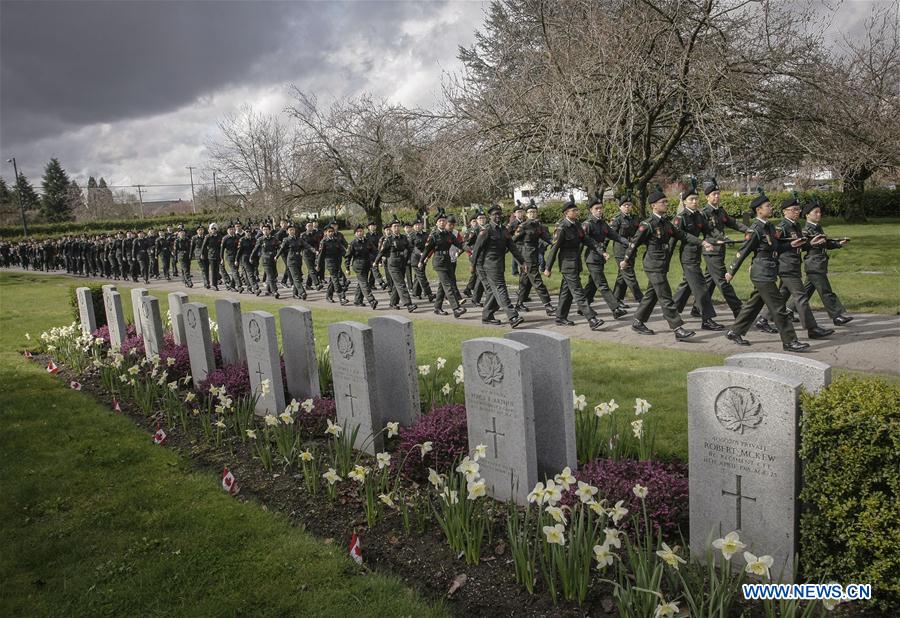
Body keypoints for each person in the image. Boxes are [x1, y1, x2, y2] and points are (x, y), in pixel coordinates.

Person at [724, 189, 819, 352]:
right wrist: (731, 271)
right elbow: (743, 251)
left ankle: (735, 331)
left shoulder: (769, 227)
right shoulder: (755, 229)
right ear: (758, 210)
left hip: (768, 271)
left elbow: (776, 247)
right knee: (779, 308)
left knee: (754, 304)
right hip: (762, 273)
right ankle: (790, 341)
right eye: (767, 206)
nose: (771, 207)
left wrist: (791, 245)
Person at [621, 186, 714, 341]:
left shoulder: (666, 223)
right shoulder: (648, 224)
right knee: (665, 296)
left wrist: (702, 242)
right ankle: (677, 328)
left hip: (662, 264)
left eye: (666, 201)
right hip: (653, 265)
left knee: (651, 295)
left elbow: (683, 235)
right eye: (663, 202)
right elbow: (633, 244)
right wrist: (626, 260)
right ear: (653, 206)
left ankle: (638, 321)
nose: (666, 204)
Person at [758, 195, 834, 340]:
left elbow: (799, 245)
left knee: (781, 295)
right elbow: (775, 247)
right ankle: (812, 329)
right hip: (786, 267)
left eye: (798, 209)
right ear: (785, 212)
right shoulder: (782, 227)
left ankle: (763, 319)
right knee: (801, 296)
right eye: (793, 210)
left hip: (794, 265)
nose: (797, 212)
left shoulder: (796, 225)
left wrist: (811, 243)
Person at [678, 177, 746, 318]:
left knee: (709, 281)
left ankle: (697, 308)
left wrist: (749, 230)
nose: (717, 196)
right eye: (714, 195)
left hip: (720, 249)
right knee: (722, 280)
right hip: (711, 251)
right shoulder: (704, 213)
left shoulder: (720, 211)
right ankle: (738, 310)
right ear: (707, 197)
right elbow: (709, 231)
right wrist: (722, 238)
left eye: (718, 194)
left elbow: (733, 223)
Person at [669, 180, 725, 331]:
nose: (694, 201)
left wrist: (719, 239)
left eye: (696, 199)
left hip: (696, 255)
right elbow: (673, 240)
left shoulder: (698, 216)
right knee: (701, 288)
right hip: (687, 257)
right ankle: (707, 320)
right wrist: (665, 262)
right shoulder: (680, 218)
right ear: (685, 202)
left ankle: (671, 311)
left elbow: (708, 231)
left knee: (687, 285)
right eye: (691, 199)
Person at [543, 196, 603, 330]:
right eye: (574, 210)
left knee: (567, 292)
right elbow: (554, 248)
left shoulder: (577, 225)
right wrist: (548, 267)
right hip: (567, 265)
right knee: (578, 292)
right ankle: (592, 319)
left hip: (575, 263)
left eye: (577, 210)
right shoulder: (562, 227)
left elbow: (586, 240)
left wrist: (600, 251)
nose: (576, 212)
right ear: (566, 213)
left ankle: (560, 317)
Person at [800, 198, 853, 326]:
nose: (819, 214)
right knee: (826, 291)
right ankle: (836, 316)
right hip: (814, 264)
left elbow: (825, 243)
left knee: (804, 292)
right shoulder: (806, 230)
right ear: (807, 215)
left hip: (819, 263)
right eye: (816, 212)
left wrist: (838, 243)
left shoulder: (817, 228)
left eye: (820, 212)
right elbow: (801, 246)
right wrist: (811, 243)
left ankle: (789, 310)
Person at [471, 205, 525, 327]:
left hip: (499, 265)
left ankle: (487, 316)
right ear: (490, 216)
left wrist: (522, 262)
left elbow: (513, 247)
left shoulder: (503, 230)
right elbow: (477, 249)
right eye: (495, 214)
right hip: (489, 265)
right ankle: (513, 316)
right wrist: (473, 265)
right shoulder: (486, 230)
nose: (497, 216)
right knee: (501, 289)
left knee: (493, 291)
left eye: (499, 214)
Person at [582, 193, 628, 319]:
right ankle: (616, 308)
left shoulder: (602, 223)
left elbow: (614, 235)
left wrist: (629, 243)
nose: (599, 210)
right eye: (596, 208)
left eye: (601, 208)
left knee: (592, 284)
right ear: (591, 210)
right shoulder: (587, 224)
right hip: (592, 258)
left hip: (600, 257)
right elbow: (582, 242)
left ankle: (583, 307)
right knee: (602, 284)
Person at [421, 209, 467, 318]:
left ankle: (437, 307)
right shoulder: (434, 235)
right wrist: (421, 260)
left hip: (447, 260)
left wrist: (470, 249)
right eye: (440, 221)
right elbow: (427, 249)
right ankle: (456, 308)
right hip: (438, 262)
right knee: (448, 285)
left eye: (443, 220)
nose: (442, 222)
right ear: (436, 223)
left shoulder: (449, 234)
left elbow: (459, 244)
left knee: (443, 285)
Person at [513, 202, 556, 316]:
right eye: (530, 212)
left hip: (534, 254)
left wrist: (555, 242)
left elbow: (547, 238)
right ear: (526, 214)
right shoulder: (523, 226)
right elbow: (512, 240)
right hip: (526, 256)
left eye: (534, 212)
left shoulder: (539, 226)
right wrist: (518, 253)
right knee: (537, 280)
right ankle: (548, 305)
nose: (532, 214)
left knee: (525, 281)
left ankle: (519, 303)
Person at [375, 217, 417, 312]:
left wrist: (411, 257)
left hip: (402, 262)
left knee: (396, 284)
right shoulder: (388, 240)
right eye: (394, 226)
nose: (397, 228)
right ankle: (408, 304)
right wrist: (376, 262)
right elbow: (381, 252)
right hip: (393, 264)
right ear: (391, 228)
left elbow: (410, 248)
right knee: (401, 284)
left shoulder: (404, 238)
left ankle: (393, 302)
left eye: (398, 226)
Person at [611, 195, 643, 307]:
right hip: (620, 251)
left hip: (632, 250)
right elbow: (612, 235)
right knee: (629, 276)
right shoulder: (617, 219)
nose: (627, 207)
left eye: (629, 205)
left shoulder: (635, 218)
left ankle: (616, 300)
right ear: (620, 207)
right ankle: (641, 300)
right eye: (625, 205)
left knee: (622, 276)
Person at [345, 224, 378, 308]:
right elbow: (348, 256)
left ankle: (357, 300)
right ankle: (372, 300)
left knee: (361, 283)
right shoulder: (353, 243)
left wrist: (376, 260)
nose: (360, 233)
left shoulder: (367, 241)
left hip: (366, 265)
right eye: (358, 232)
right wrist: (347, 268)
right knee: (364, 283)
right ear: (355, 234)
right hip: (358, 265)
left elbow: (374, 251)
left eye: (361, 231)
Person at [276, 224, 312, 299]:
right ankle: (302, 292)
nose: (292, 231)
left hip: (298, 259)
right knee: (296, 278)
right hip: (291, 260)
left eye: (293, 230)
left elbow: (307, 245)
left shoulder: (299, 239)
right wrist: (276, 256)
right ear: (287, 232)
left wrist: (314, 250)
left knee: (299, 277)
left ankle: (295, 293)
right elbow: (281, 249)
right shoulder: (286, 240)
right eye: (290, 230)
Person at [317, 225, 349, 305]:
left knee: (333, 280)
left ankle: (328, 295)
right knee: (335, 279)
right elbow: (321, 255)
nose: (331, 233)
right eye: (329, 232)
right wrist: (318, 265)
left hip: (337, 262)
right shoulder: (323, 242)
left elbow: (342, 251)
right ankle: (342, 297)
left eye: (332, 231)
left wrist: (348, 258)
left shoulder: (336, 240)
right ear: (326, 233)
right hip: (329, 262)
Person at [253, 223, 281, 298]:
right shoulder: (261, 239)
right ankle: (275, 291)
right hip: (265, 260)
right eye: (264, 230)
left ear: (270, 230)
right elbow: (255, 249)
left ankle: (268, 290)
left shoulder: (274, 239)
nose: (265, 231)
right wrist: (251, 257)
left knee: (274, 275)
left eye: (266, 229)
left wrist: (277, 254)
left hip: (273, 259)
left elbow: (279, 247)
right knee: (271, 276)